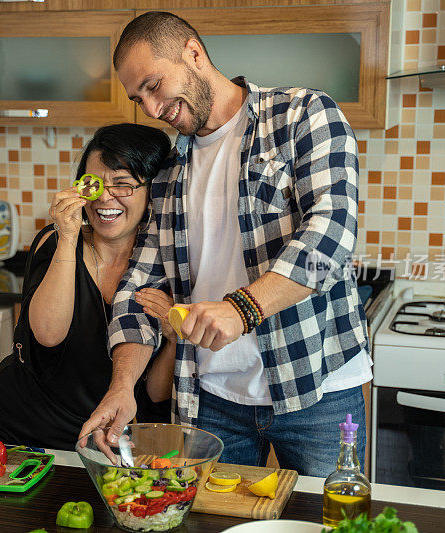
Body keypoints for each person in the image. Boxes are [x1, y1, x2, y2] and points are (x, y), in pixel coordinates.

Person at [80, 12, 371, 475]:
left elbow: (330, 237)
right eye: (139, 98)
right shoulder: (172, 171)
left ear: (194, 54)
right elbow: (138, 289)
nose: (151, 110)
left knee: (331, 521)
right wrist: (123, 386)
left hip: (317, 386)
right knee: (212, 523)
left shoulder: (302, 115)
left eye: (154, 86)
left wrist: (242, 309)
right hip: (211, 400)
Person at [0, 123, 175, 450]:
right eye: (94, 184)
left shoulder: (165, 267)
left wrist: (172, 337)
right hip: (15, 428)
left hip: (99, 438)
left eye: (122, 185)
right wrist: (67, 236)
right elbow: (48, 334)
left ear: (154, 191)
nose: (104, 198)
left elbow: (155, 395)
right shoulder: (56, 243)